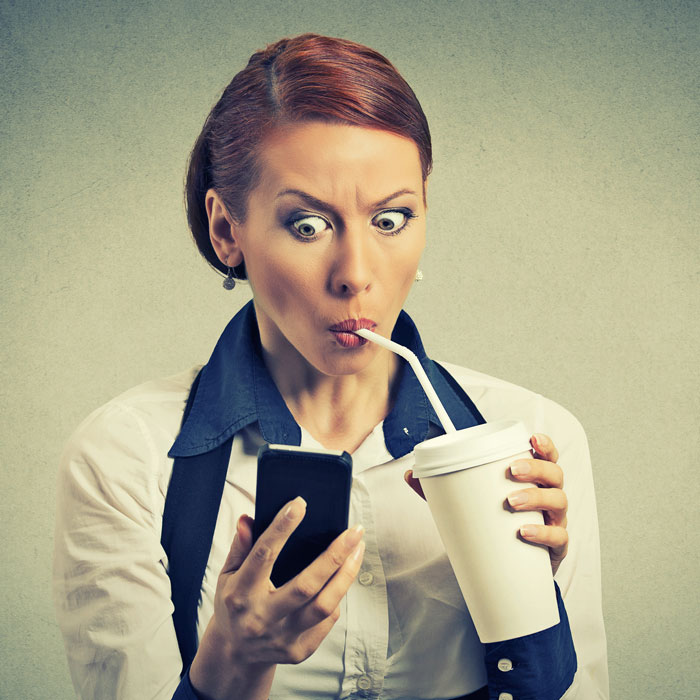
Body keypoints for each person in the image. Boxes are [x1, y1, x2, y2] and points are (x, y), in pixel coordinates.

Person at [52, 33, 608, 700]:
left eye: (392, 219)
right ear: (227, 231)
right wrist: (233, 661)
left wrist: (528, 613)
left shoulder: (534, 440)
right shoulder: (129, 458)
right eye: (308, 225)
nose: (356, 275)